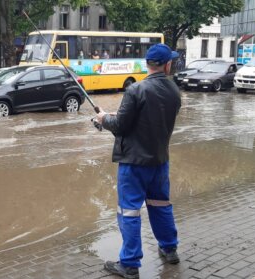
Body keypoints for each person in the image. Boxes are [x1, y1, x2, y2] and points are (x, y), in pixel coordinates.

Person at [94, 44, 182, 279]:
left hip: (134, 164)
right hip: (160, 161)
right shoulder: (175, 91)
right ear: (167, 65)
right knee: (161, 205)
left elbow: (122, 126)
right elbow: (149, 123)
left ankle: (130, 264)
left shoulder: (136, 90)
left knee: (129, 212)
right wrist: (110, 120)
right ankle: (169, 249)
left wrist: (103, 118)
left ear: (147, 64)